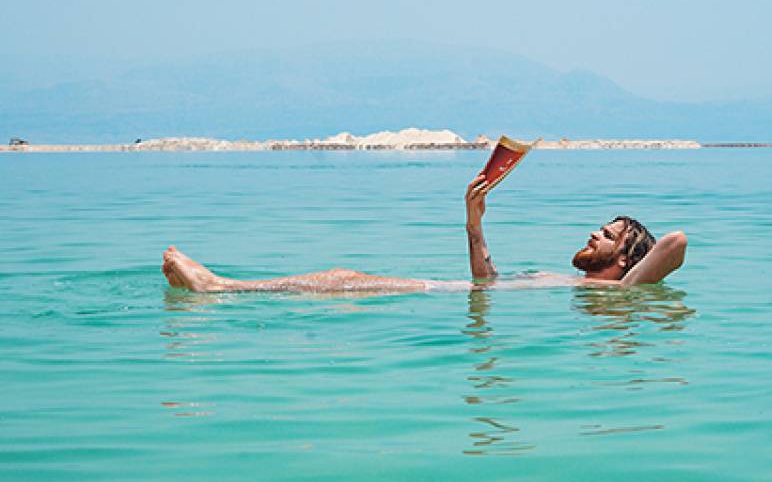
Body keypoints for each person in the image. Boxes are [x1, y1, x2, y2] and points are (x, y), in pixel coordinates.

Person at [161, 174, 687, 294]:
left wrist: (631, 277)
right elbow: (488, 282)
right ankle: (222, 287)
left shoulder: (619, 292)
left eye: (609, 234)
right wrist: (474, 219)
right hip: (464, 294)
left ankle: (220, 288)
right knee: (343, 281)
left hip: (441, 297)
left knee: (343, 280)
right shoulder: (591, 291)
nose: (594, 232)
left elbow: (676, 242)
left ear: (625, 258)